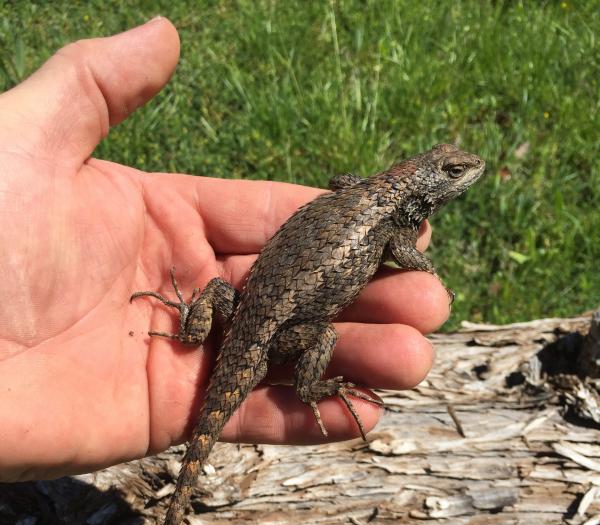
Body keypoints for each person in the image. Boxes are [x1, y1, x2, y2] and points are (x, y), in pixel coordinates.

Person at [0, 17, 449, 483]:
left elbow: (340, 183)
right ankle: (309, 386)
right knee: (322, 337)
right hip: (269, 333)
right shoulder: (395, 223)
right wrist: (428, 267)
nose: (464, 172)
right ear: (421, 182)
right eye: (451, 169)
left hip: (247, 314)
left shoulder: (366, 191)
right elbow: (407, 255)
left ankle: (191, 333)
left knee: (224, 292)